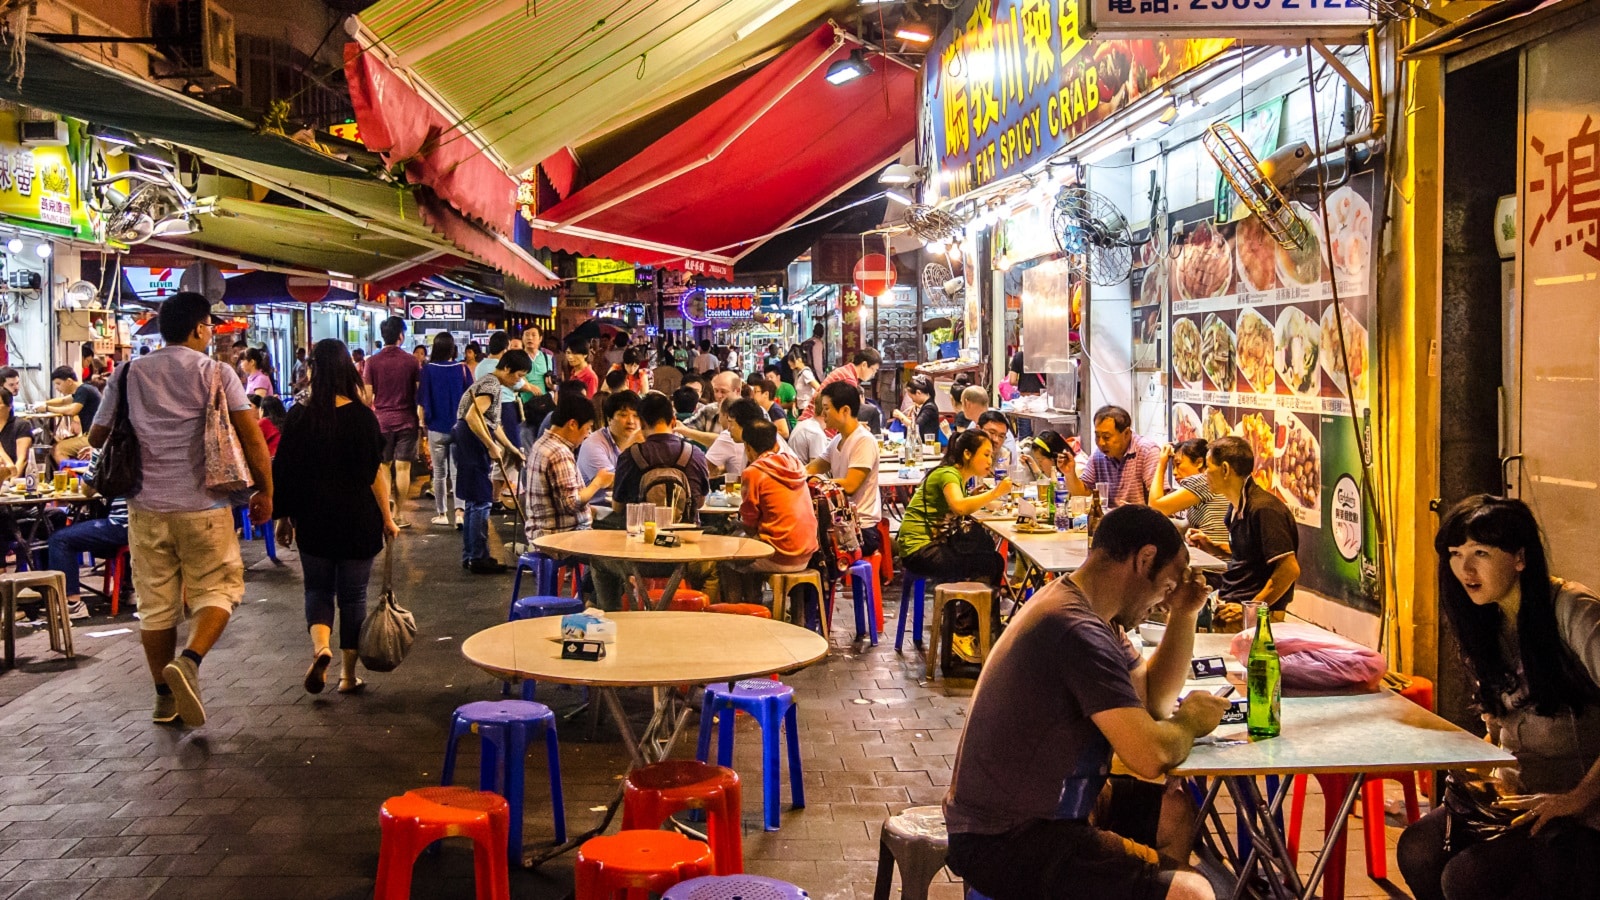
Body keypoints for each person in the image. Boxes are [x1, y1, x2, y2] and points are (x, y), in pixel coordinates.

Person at [945, 505, 1227, 900]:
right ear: (1145, 560)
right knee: (1192, 893)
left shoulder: (1094, 613)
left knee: (1174, 814)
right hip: (1006, 838)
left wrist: (1185, 613)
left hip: (1049, 810)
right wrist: (1191, 721)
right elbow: (1149, 755)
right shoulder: (1074, 627)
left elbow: (1151, 703)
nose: (1165, 600)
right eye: (1169, 585)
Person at [1397, 495, 1600, 900]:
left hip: (1584, 810)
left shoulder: (1572, 610)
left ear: (1520, 558)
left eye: (1481, 553)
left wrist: (1577, 798)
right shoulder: (1484, 618)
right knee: (1418, 850)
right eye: (1455, 554)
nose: (1465, 569)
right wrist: (1475, 772)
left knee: (1467, 879)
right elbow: (1500, 727)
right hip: (1520, 800)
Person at [88, 291, 275, 729]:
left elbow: (97, 436)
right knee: (220, 590)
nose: (210, 333)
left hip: (145, 507)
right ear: (197, 329)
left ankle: (163, 699)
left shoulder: (128, 372)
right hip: (204, 505)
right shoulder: (217, 373)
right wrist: (265, 491)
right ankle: (188, 662)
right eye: (209, 326)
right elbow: (251, 437)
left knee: (155, 606)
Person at [273, 339, 398, 696]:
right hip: (357, 519)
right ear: (347, 369)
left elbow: (284, 471)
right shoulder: (362, 417)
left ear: (313, 369)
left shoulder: (298, 416)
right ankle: (347, 675)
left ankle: (321, 648)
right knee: (353, 597)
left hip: (313, 519)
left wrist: (284, 517)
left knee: (317, 589)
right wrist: (387, 518)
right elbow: (376, 474)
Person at [597, 391, 711, 609]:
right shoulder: (695, 454)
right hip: (685, 557)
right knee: (710, 569)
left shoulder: (630, 456)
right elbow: (699, 503)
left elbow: (618, 507)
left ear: (641, 423)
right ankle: (699, 613)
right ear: (673, 421)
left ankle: (612, 614)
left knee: (599, 562)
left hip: (639, 557)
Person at [1185, 436, 1299, 627]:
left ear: (1225, 469)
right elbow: (1250, 555)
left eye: (1208, 467)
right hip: (1231, 606)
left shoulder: (1264, 509)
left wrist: (1251, 610)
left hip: (1253, 617)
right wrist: (1211, 546)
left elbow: (1289, 569)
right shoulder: (1236, 507)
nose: (1205, 474)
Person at [721, 420, 818, 604]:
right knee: (750, 549)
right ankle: (784, 611)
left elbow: (750, 522)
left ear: (747, 448)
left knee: (729, 561)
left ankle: (743, 610)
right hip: (807, 553)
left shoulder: (753, 472)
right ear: (776, 445)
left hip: (780, 556)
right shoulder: (795, 464)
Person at [894, 430, 1009, 584]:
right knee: (989, 563)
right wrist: (996, 492)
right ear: (967, 454)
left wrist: (972, 496)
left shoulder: (955, 476)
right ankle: (972, 599)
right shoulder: (948, 474)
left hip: (929, 545)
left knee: (986, 546)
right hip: (919, 550)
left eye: (991, 456)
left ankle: (971, 597)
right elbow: (959, 507)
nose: (989, 461)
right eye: (986, 455)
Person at [452, 349, 530, 574]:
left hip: (467, 440)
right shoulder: (491, 385)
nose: (518, 381)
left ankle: (471, 555)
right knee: (481, 501)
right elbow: (472, 417)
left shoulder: (490, 383)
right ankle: (478, 557)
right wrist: (490, 445)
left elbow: (493, 425)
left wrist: (511, 449)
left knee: (473, 502)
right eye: (518, 375)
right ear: (507, 369)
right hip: (470, 440)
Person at [46, 448, 127, 620]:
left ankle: (72, 605)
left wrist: (96, 459)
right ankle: (129, 588)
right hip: (153, 521)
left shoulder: (106, 447)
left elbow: (87, 490)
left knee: (59, 539)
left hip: (123, 525)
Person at [806, 381, 882, 559]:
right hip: (841, 524)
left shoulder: (863, 441)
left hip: (861, 529)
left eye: (827, 408)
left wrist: (819, 483)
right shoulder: (837, 440)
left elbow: (850, 485)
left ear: (845, 410)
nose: (823, 414)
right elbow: (812, 468)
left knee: (813, 552)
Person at [523, 392, 612, 542]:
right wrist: (598, 482)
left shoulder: (542, 443)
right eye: (588, 428)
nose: (587, 434)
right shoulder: (559, 453)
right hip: (561, 537)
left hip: (545, 532)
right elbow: (571, 504)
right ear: (572, 424)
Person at [365, 316, 422, 528]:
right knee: (403, 469)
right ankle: (398, 514)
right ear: (400, 335)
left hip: (381, 422)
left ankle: (386, 514)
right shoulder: (411, 361)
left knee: (384, 467)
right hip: (407, 420)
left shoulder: (372, 362)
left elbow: (367, 397)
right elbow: (418, 393)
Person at [419, 332, 470, 528]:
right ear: (452, 349)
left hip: (436, 426)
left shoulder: (428, 369)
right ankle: (460, 513)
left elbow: (423, 400)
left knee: (439, 473)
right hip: (459, 427)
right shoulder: (462, 369)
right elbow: (471, 398)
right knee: (457, 472)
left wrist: (423, 423)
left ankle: (442, 514)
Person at [1064, 405, 1162, 506]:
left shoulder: (1148, 452)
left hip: (1140, 515)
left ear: (1126, 433)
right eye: (1097, 436)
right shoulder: (1098, 456)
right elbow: (1083, 494)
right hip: (1109, 515)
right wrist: (1070, 474)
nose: (1101, 443)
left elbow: (1159, 500)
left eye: (1106, 437)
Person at [1148, 439, 1231, 550]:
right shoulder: (1203, 487)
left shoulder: (1203, 481)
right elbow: (1184, 526)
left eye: (1178, 464)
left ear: (1199, 463)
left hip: (1214, 558)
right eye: (1173, 467)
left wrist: (1161, 464)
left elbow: (1155, 508)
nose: (1174, 472)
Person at [576, 390, 642, 509]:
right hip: (599, 510)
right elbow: (613, 482)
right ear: (609, 419)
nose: (631, 421)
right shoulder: (593, 444)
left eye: (636, 416)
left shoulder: (642, 441)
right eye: (623, 415)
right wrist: (631, 443)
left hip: (627, 507)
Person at [39, 366, 100, 463]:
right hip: (92, 436)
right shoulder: (84, 389)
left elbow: (72, 410)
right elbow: (63, 401)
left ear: (69, 381)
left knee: (58, 449)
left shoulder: (83, 390)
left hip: (92, 438)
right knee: (56, 446)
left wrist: (47, 408)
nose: (57, 388)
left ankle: (70, 472)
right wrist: (42, 404)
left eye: (58, 384)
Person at [475, 332, 525, 452]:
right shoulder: (504, 366)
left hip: (486, 407)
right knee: (513, 442)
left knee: (493, 442)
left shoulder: (480, 366)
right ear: (505, 349)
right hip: (506, 406)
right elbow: (520, 384)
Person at [803, 348, 881, 421]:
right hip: (816, 422)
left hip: (811, 419)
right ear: (864, 365)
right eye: (874, 370)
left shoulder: (846, 371)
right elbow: (844, 414)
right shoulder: (849, 379)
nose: (873, 374)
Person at [679, 371, 743, 445]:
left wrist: (688, 432)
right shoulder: (709, 410)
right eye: (716, 391)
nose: (719, 396)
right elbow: (684, 429)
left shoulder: (750, 413)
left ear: (737, 391)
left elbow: (729, 442)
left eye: (723, 391)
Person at [893, 375, 942, 445]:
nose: (913, 401)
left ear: (918, 393)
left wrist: (900, 415)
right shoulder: (927, 405)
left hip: (928, 447)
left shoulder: (929, 408)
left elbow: (915, 427)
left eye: (912, 397)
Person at [976, 410, 1021, 474]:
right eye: (992, 432)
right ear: (978, 429)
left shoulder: (1004, 454)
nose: (996, 440)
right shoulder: (965, 452)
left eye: (1001, 436)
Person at [747, 374, 790, 438]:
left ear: (766, 394)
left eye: (756, 391)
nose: (753, 395)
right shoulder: (765, 409)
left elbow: (785, 433)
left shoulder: (775, 410)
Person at [0, 388, 32, 476]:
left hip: (13, 477)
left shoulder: (21, 425)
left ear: (9, 406)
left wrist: (13, 480)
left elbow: (22, 459)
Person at [564, 335, 600, 399]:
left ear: (585, 355)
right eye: (568, 353)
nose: (570, 357)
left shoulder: (590, 376)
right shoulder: (573, 372)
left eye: (575, 353)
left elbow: (590, 401)